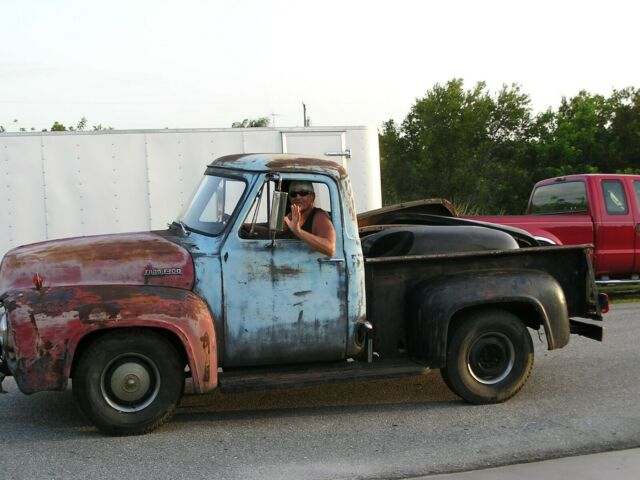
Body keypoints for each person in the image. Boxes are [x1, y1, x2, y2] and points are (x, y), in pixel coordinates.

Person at [283, 180, 336, 257]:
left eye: (303, 193)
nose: (298, 197)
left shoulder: (319, 216)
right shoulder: (291, 217)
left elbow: (330, 248)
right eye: (293, 194)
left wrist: (298, 231)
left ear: (313, 197)